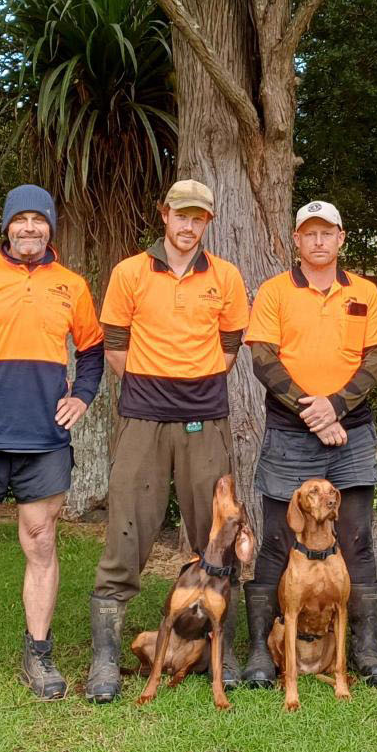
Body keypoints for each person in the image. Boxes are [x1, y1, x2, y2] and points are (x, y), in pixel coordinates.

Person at [0, 184, 104, 708]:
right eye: (20, 219)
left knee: (41, 540)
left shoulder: (71, 286)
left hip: (43, 436)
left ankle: (39, 653)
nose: (29, 228)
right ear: (7, 225)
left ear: (50, 226)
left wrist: (82, 398)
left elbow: (92, 352)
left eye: (39, 219)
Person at [86, 179, 249, 702]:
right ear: (164, 215)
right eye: (181, 216)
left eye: (198, 218)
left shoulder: (224, 276)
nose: (188, 226)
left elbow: (230, 346)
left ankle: (220, 647)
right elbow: (114, 344)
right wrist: (153, 384)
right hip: (143, 419)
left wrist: (191, 384)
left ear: (207, 223)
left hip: (205, 417)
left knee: (217, 531)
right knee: (128, 525)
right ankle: (107, 657)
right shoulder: (130, 272)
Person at [241, 199, 377, 688]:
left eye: (327, 232)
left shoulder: (365, 293)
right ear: (296, 240)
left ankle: (364, 651)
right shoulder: (274, 291)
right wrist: (312, 409)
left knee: (356, 540)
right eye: (309, 233)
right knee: (276, 542)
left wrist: (337, 407)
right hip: (290, 432)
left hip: (351, 430)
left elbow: (376, 359)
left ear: (341, 237)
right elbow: (263, 359)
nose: (318, 241)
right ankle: (262, 652)